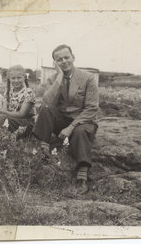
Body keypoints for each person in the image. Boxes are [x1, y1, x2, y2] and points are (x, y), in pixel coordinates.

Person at [32, 44, 99, 194]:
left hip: (83, 121)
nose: (64, 61)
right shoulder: (53, 79)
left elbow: (92, 109)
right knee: (46, 108)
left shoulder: (88, 78)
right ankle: (44, 150)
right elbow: (47, 102)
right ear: (55, 63)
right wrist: (60, 78)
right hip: (61, 120)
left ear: (73, 57)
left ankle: (82, 175)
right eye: (59, 59)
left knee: (80, 132)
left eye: (66, 57)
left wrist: (71, 127)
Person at [0, 65, 36, 134]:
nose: (16, 80)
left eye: (19, 78)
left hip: (25, 123)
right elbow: (4, 110)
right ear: (9, 78)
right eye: (13, 78)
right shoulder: (8, 92)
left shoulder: (29, 93)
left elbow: (22, 114)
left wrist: (2, 112)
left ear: (24, 77)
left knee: (1, 117)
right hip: (11, 120)